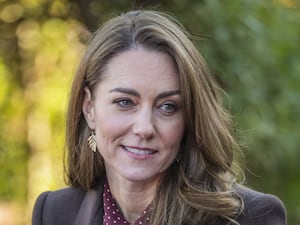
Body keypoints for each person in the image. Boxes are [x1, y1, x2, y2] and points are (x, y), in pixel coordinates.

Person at [32, 10, 286, 225]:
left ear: (189, 117)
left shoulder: (252, 217)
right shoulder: (54, 212)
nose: (144, 128)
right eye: (124, 102)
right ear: (89, 108)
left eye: (167, 107)